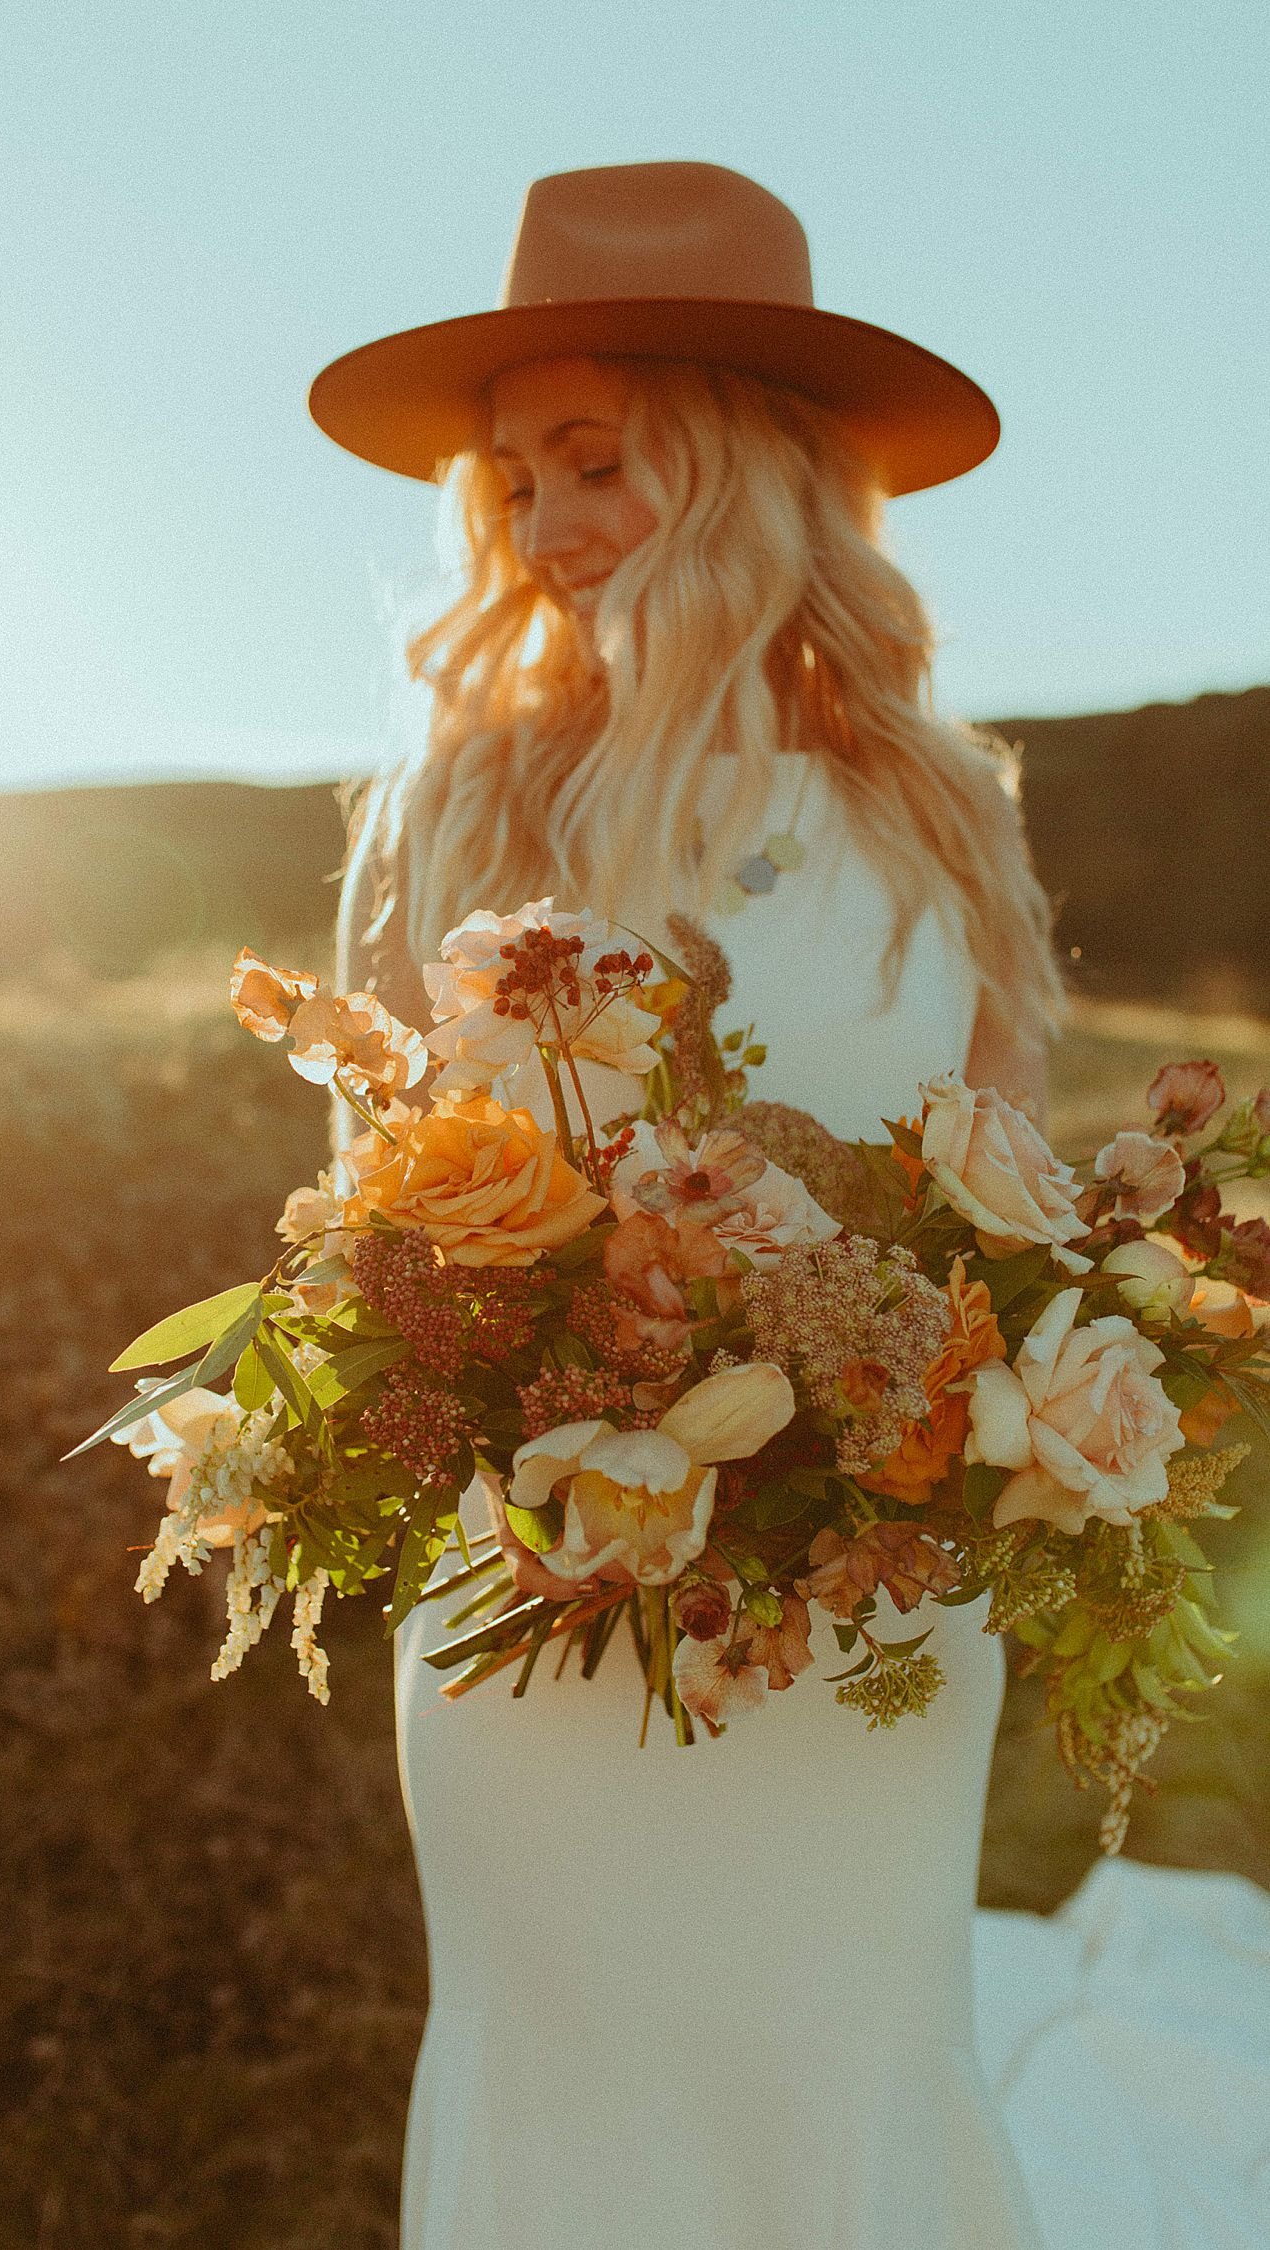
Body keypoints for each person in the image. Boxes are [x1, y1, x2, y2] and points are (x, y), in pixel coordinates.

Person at [308, 162, 1268, 2250]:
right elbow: (380, 1195)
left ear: (745, 466)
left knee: (836, 2035)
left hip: (869, 1592)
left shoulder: (930, 799)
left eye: (597, 460)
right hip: (545, 1573)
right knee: (570, 2043)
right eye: (516, 477)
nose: (545, 522)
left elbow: (1004, 1182)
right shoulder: (470, 791)